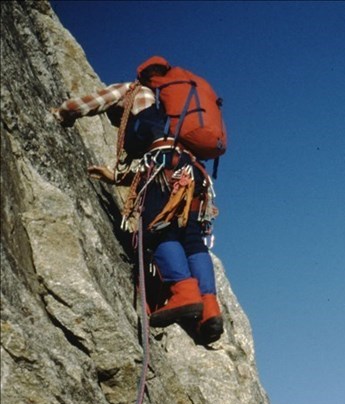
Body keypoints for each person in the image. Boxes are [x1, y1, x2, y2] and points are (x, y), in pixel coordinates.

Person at [53, 56, 224, 344]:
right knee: (192, 238)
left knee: (158, 228)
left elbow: (97, 100)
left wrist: (64, 112)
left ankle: (182, 290)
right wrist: (115, 178)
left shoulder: (135, 91)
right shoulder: (170, 115)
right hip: (193, 174)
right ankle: (209, 306)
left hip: (165, 163)